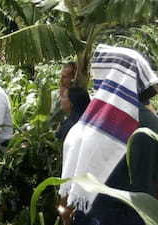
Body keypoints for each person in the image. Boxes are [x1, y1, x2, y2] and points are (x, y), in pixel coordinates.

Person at [59, 45, 158, 225]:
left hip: (97, 215)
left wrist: (66, 209)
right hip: (140, 215)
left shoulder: (96, 121)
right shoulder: (151, 122)